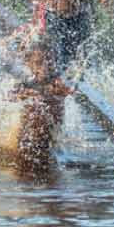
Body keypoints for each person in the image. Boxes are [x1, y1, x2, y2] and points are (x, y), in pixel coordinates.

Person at [11, 37, 73, 174]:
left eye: (49, 63)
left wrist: (63, 93)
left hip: (49, 132)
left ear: (55, 62)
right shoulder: (24, 82)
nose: (44, 68)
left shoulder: (56, 82)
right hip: (28, 134)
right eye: (39, 63)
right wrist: (23, 96)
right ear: (28, 64)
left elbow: (68, 92)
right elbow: (9, 98)